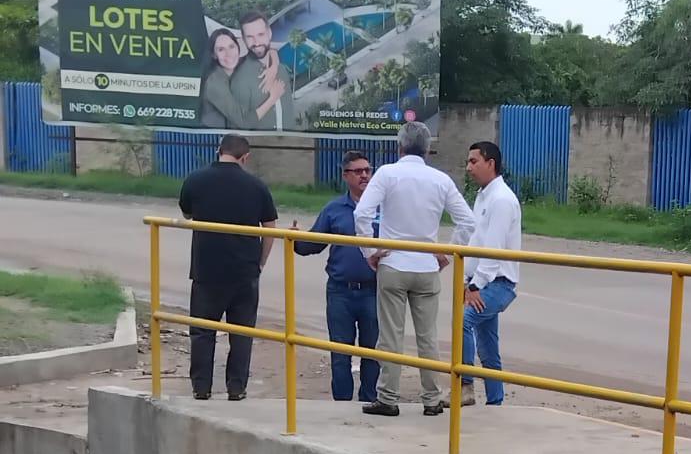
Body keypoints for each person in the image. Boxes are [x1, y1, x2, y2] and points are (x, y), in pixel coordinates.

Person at [355, 121, 475, 417]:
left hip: (393, 263)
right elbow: (468, 222)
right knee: (427, 336)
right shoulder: (440, 180)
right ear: (428, 149)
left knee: (391, 335)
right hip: (426, 266)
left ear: (400, 146)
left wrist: (370, 250)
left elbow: (362, 213)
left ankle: (388, 397)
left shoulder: (387, 174)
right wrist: (446, 254)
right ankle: (432, 399)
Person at [178, 133, 277, 401]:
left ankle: (201, 387)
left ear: (218, 150)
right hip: (244, 271)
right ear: (245, 157)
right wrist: (261, 262)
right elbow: (270, 228)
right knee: (242, 333)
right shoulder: (256, 186)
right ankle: (236, 388)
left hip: (206, 270)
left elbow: (187, 213)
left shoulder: (196, 180)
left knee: (202, 331)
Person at [293, 150, 381, 403]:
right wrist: (295, 240)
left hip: (373, 291)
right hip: (341, 291)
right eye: (358, 171)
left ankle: (369, 400)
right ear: (345, 176)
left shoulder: (382, 207)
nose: (364, 175)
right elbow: (314, 243)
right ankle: (342, 403)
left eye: (367, 170)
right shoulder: (334, 209)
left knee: (372, 352)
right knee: (340, 352)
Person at [459, 141, 521, 408]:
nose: (468, 167)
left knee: (463, 322)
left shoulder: (502, 200)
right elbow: (476, 242)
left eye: (474, 161)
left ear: (490, 163)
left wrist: (475, 286)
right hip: (482, 282)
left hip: (498, 283)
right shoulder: (484, 196)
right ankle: (495, 402)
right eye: (468, 162)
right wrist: (466, 278)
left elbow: (493, 250)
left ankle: (465, 386)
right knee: (488, 345)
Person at [229, 11, 293, 131]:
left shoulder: (281, 70)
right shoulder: (240, 80)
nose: (256, 42)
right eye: (250, 37)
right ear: (243, 39)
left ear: (269, 34)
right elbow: (239, 126)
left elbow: (289, 111)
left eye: (260, 34)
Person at [198, 27, 243, 129]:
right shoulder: (213, 82)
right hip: (211, 139)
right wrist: (272, 98)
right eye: (221, 49)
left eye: (231, 46)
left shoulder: (241, 67)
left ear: (238, 47)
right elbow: (240, 119)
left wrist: (273, 55)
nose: (229, 53)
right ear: (214, 55)